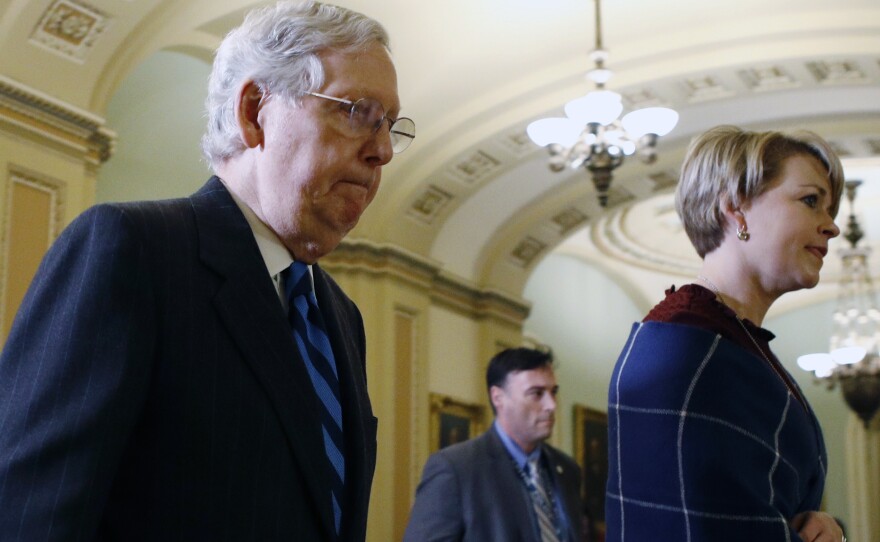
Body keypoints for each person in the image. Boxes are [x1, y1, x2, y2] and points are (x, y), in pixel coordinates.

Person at [0, 1, 414, 540]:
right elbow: (31, 517)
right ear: (254, 111)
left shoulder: (341, 315)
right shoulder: (132, 252)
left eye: (389, 126)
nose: (382, 150)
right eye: (357, 111)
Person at [605, 125, 846, 542]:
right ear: (736, 208)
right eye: (811, 201)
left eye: (831, 210)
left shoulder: (731, 338)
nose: (832, 227)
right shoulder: (685, 346)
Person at [403, 347, 585, 542]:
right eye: (537, 393)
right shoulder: (456, 469)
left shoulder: (567, 468)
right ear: (498, 397)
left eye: (553, 392)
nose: (551, 405)